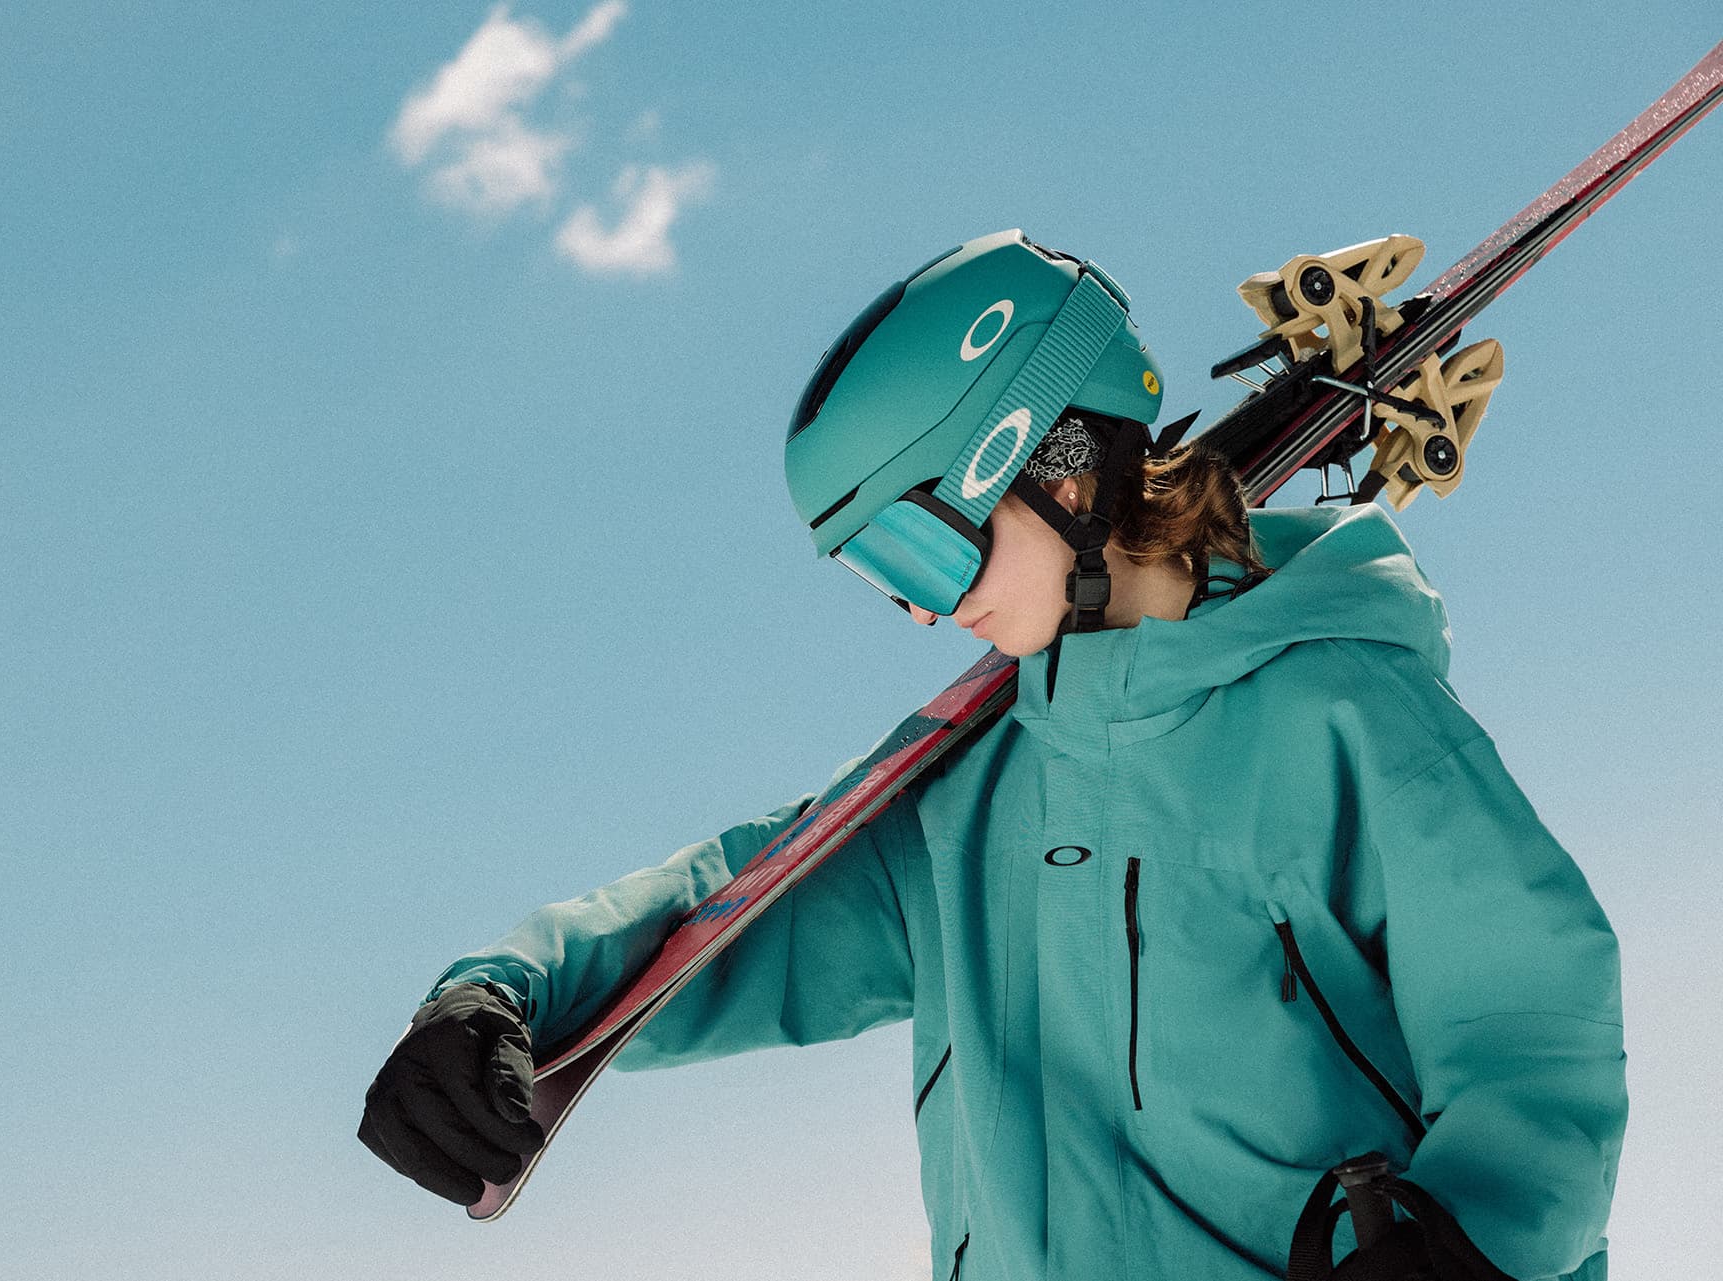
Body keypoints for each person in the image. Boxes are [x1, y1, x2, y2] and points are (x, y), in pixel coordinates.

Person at [359, 231, 1626, 1281]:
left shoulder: (1337, 710)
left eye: (922, 551)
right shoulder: (964, 805)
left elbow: (1532, 1018)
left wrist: (1471, 1241)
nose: (921, 614)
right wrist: (502, 995)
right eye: (881, 577)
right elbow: (729, 912)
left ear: (1057, 472)